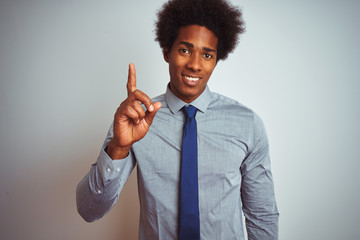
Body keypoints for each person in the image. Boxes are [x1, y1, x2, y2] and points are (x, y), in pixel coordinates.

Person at [76, 0, 279, 239]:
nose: (194, 64)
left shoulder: (247, 124)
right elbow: (89, 210)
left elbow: (262, 215)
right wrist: (119, 147)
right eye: (185, 50)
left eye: (207, 54)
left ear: (216, 60)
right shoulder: (136, 119)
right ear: (166, 52)